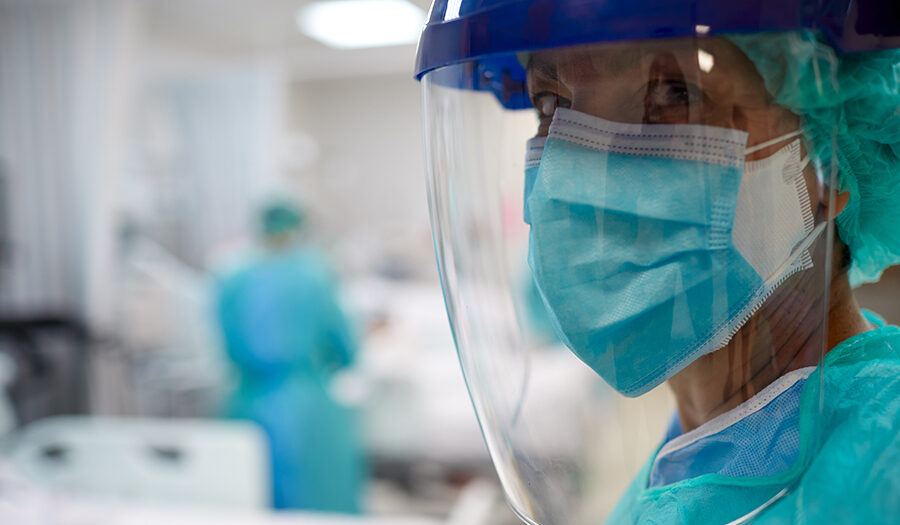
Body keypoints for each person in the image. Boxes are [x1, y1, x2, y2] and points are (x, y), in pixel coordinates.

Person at [414, 1, 900, 523]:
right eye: (551, 103)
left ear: (827, 162)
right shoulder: (688, 474)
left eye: (674, 93)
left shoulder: (883, 469)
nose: (581, 172)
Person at [215, 200, 364, 512]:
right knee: (317, 503)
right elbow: (344, 346)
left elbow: (226, 349)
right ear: (299, 228)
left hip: (246, 404)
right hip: (308, 408)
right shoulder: (314, 274)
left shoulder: (232, 276)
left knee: (248, 501)